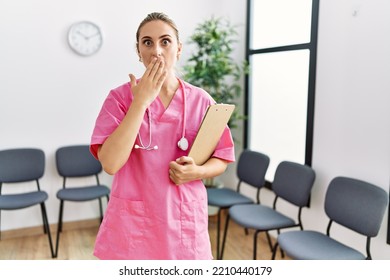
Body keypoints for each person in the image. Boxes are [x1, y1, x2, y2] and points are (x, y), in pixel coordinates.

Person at [90, 12, 235, 260]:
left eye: (165, 41)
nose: (156, 50)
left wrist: (197, 172)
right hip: (133, 226)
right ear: (138, 51)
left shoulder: (201, 101)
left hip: (184, 223)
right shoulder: (119, 99)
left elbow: (222, 157)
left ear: (178, 49)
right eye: (147, 42)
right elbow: (111, 163)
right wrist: (141, 102)